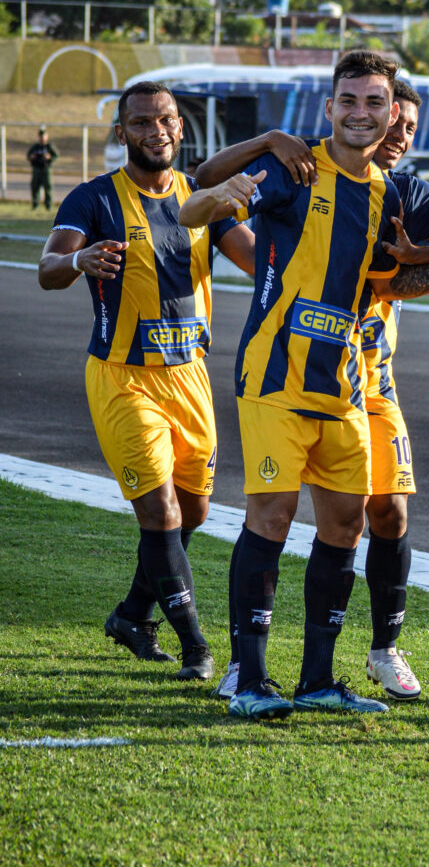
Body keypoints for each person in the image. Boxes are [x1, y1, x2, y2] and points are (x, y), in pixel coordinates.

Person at [179, 51, 429, 721]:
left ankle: (316, 681)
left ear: (394, 112)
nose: (360, 114)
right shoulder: (293, 166)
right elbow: (198, 192)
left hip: (344, 389)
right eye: (348, 101)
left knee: (344, 525)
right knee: (272, 519)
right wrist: (259, 149)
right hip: (274, 379)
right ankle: (249, 679)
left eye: (374, 103)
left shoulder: (398, 194)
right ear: (329, 106)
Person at [38, 82, 257, 681]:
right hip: (122, 378)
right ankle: (195, 647)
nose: (155, 130)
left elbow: (259, 260)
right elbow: (48, 268)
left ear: (180, 128)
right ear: (122, 133)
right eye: (140, 123)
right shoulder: (94, 199)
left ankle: (133, 614)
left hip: (189, 376)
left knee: (194, 512)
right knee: (159, 512)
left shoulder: (202, 197)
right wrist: (78, 261)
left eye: (164, 120)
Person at [27, 126, 59, 210]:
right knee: (35, 187)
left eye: (43, 136)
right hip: (36, 169)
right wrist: (31, 157)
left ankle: (48, 205)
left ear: (46, 136)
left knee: (48, 188)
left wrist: (49, 158)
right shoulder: (35, 147)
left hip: (46, 170)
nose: (42, 138)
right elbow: (28, 156)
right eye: (40, 136)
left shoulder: (49, 146)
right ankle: (35, 205)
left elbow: (56, 156)